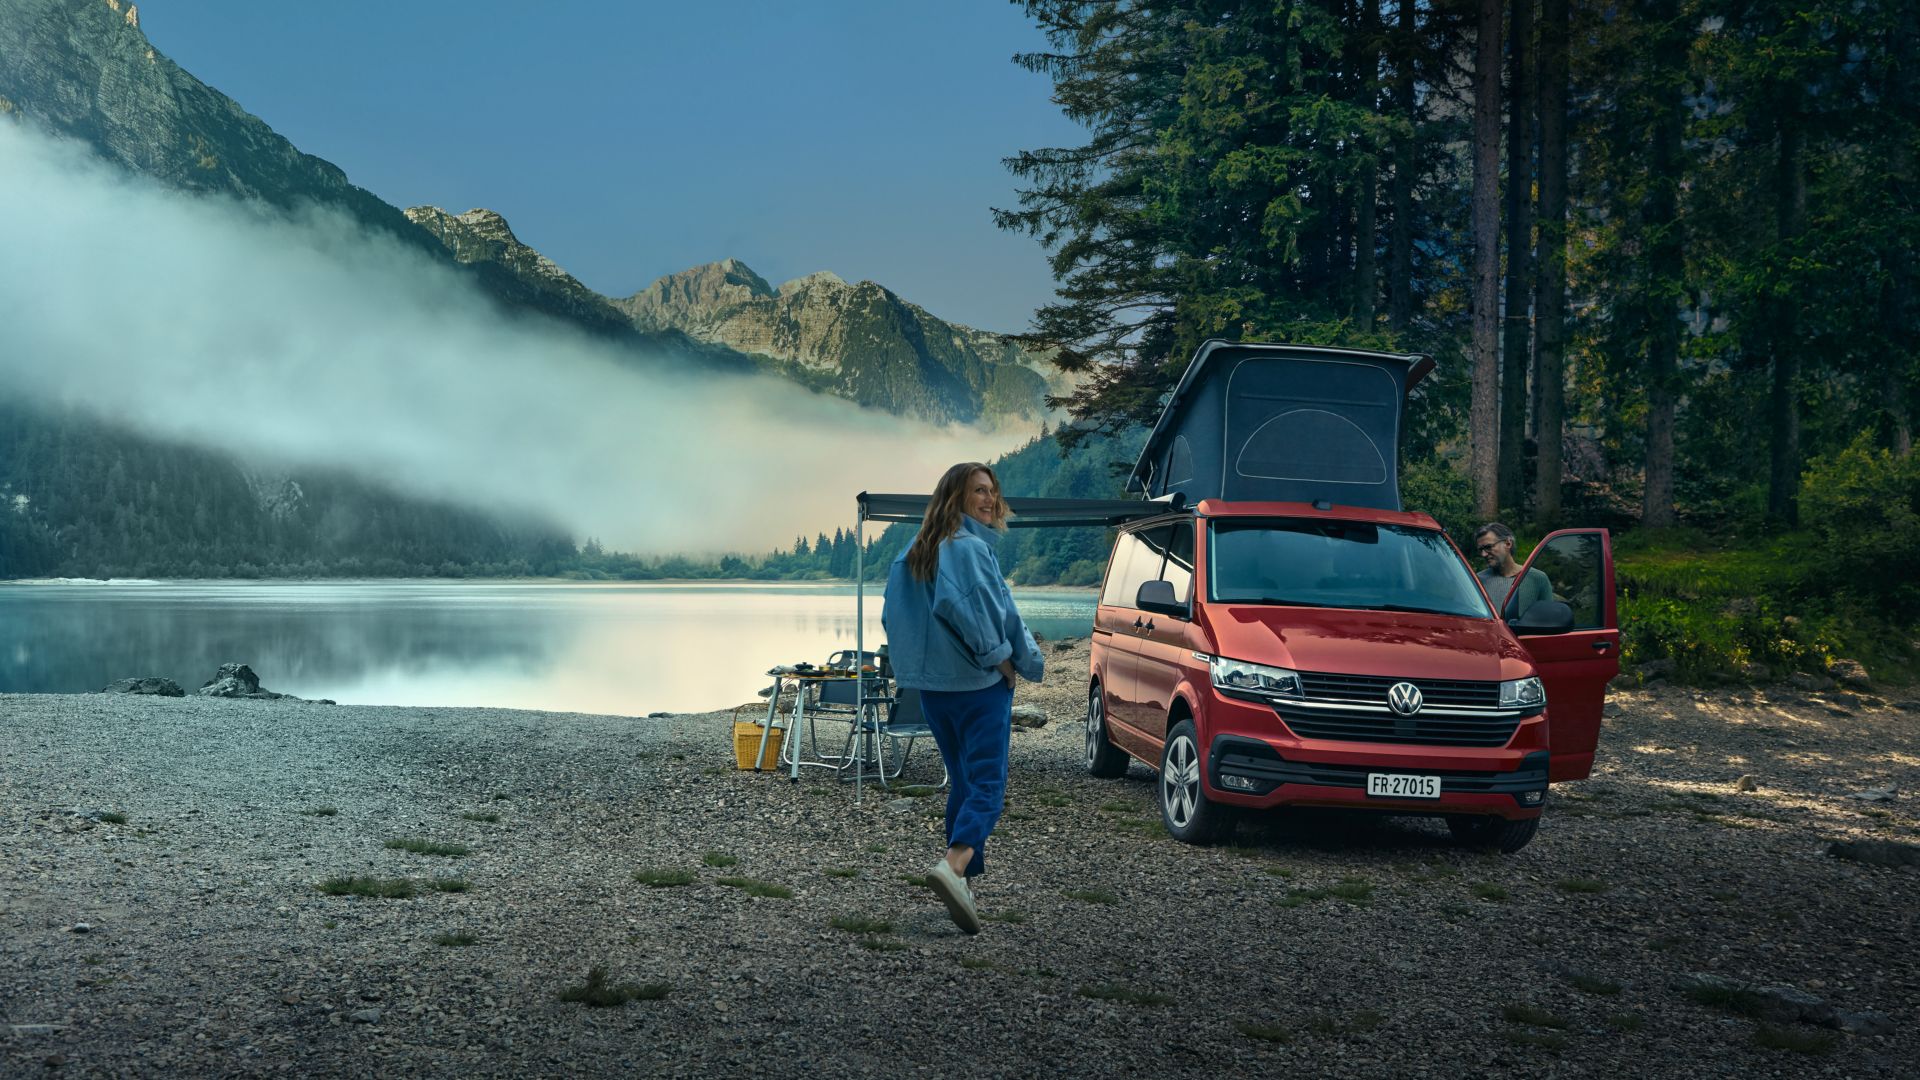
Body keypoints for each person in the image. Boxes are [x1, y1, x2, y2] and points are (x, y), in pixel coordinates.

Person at [881, 461, 1043, 934]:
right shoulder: (967, 547)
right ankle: (952, 866)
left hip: (933, 690)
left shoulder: (913, 550)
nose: (989, 500)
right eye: (979, 491)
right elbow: (980, 611)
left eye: (992, 491)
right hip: (978, 686)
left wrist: (916, 670)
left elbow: (894, 620)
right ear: (955, 497)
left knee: (963, 782)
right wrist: (1005, 662)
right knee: (987, 785)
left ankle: (962, 887)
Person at [1473, 522, 1552, 618]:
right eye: (1480, 550)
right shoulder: (1477, 581)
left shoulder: (1537, 578)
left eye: (1488, 547)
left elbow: (1548, 620)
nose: (1483, 554)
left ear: (1508, 543)